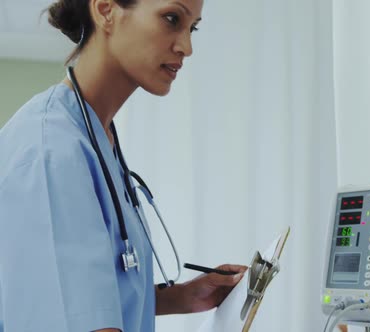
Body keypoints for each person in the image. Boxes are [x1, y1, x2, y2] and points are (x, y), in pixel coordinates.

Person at [0, 0, 247, 331]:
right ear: (105, 10)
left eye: (193, 28)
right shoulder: (52, 150)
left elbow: (94, 294)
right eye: (172, 19)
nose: (186, 47)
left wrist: (184, 297)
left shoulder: (97, 136)